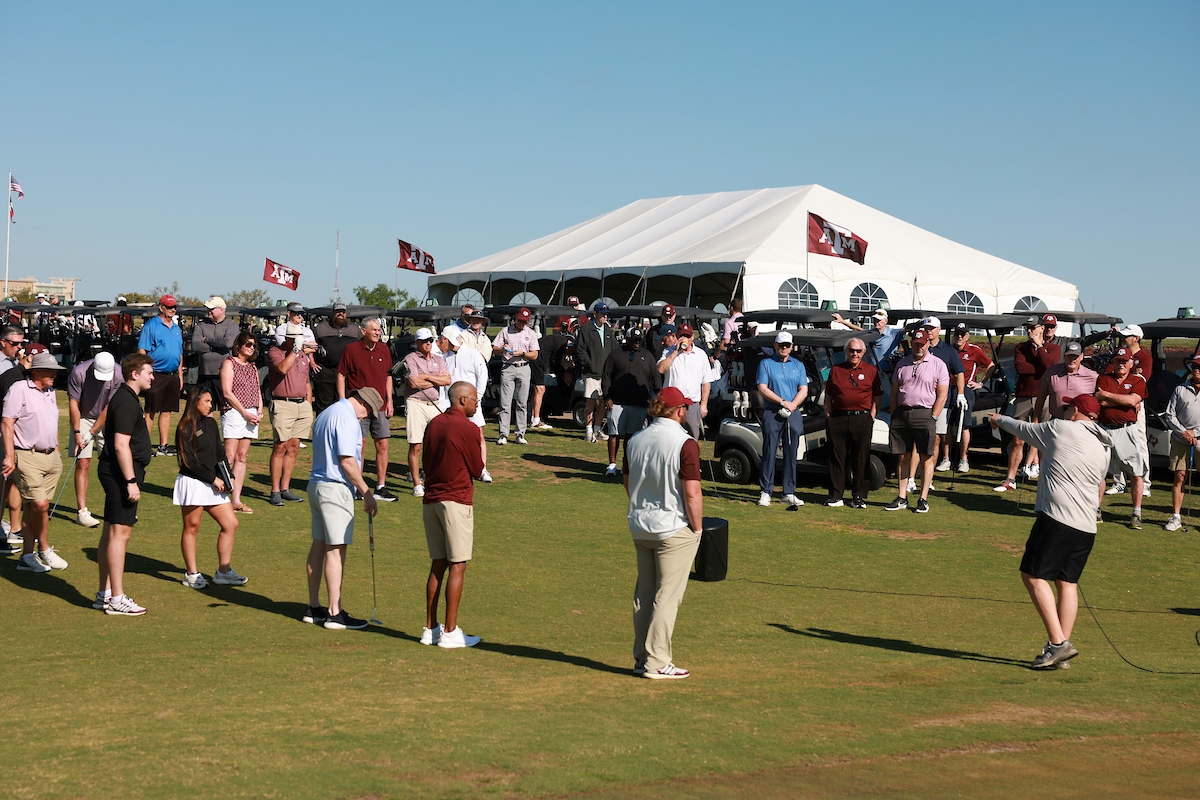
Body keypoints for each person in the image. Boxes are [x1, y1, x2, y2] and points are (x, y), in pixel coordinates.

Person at [988, 394, 1111, 669]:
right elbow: (1101, 486)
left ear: (1076, 411)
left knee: (1032, 576)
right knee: (1067, 583)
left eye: (1068, 406)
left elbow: (1024, 430)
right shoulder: (1104, 445)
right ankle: (1059, 650)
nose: (1064, 410)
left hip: (1058, 520)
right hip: (1087, 525)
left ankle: (1058, 643)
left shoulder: (1061, 428)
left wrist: (998, 418)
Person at [623, 386, 704, 680]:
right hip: (672, 528)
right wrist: (697, 529)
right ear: (679, 411)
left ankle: (642, 658)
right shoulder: (685, 443)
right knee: (666, 597)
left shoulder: (635, 439)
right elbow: (692, 494)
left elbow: (628, 482)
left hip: (640, 525)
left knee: (645, 593)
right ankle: (657, 661)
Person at [304, 387, 382, 630]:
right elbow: (347, 460)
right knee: (335, 550)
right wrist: (366, 492)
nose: (365, 417)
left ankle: (314, 607)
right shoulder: (348, 419)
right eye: (368, 412)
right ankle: (334, 613)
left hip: (316, 485)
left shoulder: (327, 412)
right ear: (363, 404)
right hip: (335, 489)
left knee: (319, 545)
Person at [421, 381, 486, 649]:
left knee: (439, 563)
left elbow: (424, 460)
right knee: (458, 564)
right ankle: (449, 632)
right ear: (461, 400)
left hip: (431, 501)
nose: (477, 403)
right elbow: (477, 467)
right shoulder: (468, 428)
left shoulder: (434, 424)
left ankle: (430, 628)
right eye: (474, 399)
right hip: (456, 501)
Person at [96, 353, 156, 615]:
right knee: (121, 533)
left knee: (111, 531)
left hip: (120, 472)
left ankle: (105, 593)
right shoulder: (126, 401)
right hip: (121, 474)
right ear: (135, 374)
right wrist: (131, 481)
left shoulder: (127, 398)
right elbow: (121, 445)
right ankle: (116, 598)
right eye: (149, 373)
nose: (152, 377)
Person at [173, 386, 246, 588]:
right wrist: (213, 479)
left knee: (230, 524)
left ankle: (223, 571)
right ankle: (192, 574)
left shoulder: (211, 424)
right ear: (195, 401)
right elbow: (189, 462)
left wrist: (228, 477)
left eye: (210, 401)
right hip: (194, 482)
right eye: (206, 401)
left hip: (214, 482)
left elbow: (219, 453)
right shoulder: (184, 427)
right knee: (192, 527)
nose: (210, 405)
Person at [2, 352, 67, 573]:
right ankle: (44, 547)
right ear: (36, 371)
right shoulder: (19, 389)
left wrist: (56, 451)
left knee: (32, 507)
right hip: (26, 455)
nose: (54, 376)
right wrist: (10, 456)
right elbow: (7, 423)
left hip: (51, 457)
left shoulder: (50, 392)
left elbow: (52, 423)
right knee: (41, 505)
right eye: (51, 372)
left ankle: (26, 556)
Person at [995, 315, 1062, 492]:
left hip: (1046, 397)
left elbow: (1050, 366)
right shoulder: (1021, 347)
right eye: (1028, 328)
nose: (1029, 331)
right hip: (1024, 397)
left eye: (1033, 328)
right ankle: (1010, 478)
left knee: (1045, 440)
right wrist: (1040, 366)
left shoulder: (1053, 348)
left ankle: (1046, 479)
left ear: (1041, 329)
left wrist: (1040, 348)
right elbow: (1021, 368)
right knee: (1017, 439)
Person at [886, 329, 948, 513]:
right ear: (911, 343)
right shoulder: (902, 364)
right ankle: (902, 497)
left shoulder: (938, 364)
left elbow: (942, 394)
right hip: (902, 414)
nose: (919, 347)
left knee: (926, 457)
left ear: (928, 343)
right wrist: (893, 414)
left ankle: (923, 498)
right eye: (916, 344)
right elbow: (895, 392)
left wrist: (934, 415)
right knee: (903, 456)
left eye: (922, 344)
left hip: (925, 413)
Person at [337, 318, 396, 500]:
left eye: (379, 330)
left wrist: (390, 401)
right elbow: (341, 375)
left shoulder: (384, 349)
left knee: (383, 445)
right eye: (374, 330)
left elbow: (388, 376)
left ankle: (380, 486)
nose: (378, 333)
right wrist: (342, 402)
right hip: (359, 406)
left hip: (380, 406)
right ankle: (356, 487)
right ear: (364, 331)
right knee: (359, 446)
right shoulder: (351, 350)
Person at [66, 351, 123, 528]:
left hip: (107, 418)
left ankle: (117, 508)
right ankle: (82, 512)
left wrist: (92, 431)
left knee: (114, 462)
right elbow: (73, 404)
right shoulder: (79, 372)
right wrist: (77, 432)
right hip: (82, 416)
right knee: (83, 462)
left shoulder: (119, 374)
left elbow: (108, 407)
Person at [823, 337, 881, 508]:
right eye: (851, 350)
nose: (854, 354)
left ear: (863, 352)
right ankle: (836, 495)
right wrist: (828, 416)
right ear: (846, 351)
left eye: (858, 351)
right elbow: (829, 395)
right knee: (836, 457)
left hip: (862, 418)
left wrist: (872, 415)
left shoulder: (871, 370)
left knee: (861, 457)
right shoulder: (836, 370)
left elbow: (877, 394)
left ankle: (858, 496)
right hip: (838, 418)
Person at [753, 330, 808, 507]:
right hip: (773, 410)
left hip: (793, 411)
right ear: (775, 345)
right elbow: (762, 387)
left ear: (792, 347)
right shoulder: (766, 363)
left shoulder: (798, 365)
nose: (784, 348)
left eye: (787, 345)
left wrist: (792, 405)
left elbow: (803, 389)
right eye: (781, 345)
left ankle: (789, 491)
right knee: (769, 451)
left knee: (791, 452)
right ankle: (766, 491)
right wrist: (783, 402)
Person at [1094, 348, 1148, 529]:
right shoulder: (1104, 378)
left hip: (1127, 430)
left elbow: (1132, 401)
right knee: (1100, 471)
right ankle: (1096, 509)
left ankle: (1136, 513)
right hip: (1105, 429)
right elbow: (1100, 402)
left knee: (1135, 472)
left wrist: (1108, 396)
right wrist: (1124, 400)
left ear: (1131, 363)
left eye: (1125, 361)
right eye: (1118, 361)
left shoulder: (1137, 380)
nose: (1121, 364)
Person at [600, 326, 660, 477]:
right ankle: (612, 465)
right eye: (634, 340)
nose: (637, 343)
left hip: (639, 403)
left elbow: (655, 377)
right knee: (614, 434)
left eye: (639, 340)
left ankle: (627, 465)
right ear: (628, 339)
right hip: (617, 402)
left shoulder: (648, 356)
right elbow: (606, 376)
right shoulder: (616, 354)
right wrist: (607, 397)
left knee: (631, 437)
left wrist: (659, 395)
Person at [267, 323, 315, 506]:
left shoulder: (303, 355)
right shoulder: (275, 352)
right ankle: (275, 490)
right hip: (283, 403)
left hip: (302, 405)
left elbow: (306, 382)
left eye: (299, 337)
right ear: (286, 338)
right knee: (280, 446)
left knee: (294, 446)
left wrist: (308, 405)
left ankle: (285, 488)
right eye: (293, 337)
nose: (297, 340)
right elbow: (282, 369)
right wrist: (295, 351)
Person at [0, 341, 40, 553]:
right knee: (4, 483)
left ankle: (15, 528)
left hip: (19, 439)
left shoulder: (24, 376)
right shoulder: (12, 378)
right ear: (30, 357)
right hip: (7, 437)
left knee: (15, 483)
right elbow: (8, 416)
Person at [402, 328, 451, 497]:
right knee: (416, 445)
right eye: (424, 341)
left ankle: (432, 479)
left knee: (437, 445)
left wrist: (426, 377)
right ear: (416, 343)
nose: (428, 343)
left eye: (430, 340)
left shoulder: (438, 358)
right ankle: (417, 483)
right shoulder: (410, 358)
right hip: (416, 403)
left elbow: (447, 380)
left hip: (435, 404)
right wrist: (436, 378)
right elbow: (413, 384)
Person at [439, 327, 491, 483]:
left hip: (471, 402)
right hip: (450, 403)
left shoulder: (472, 353)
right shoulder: (444, 356)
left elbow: (482, 376)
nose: (441, 342)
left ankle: (481, 469)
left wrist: (477, 399)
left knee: (478, 435)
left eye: (443, 339)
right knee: (449, 436)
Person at [220, 332, 263, 514]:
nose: (250, 347)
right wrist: (244, 412)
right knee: (229, 457)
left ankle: (235, 500)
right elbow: (227, 392)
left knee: (242, 456)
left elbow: (257, 390)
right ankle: (217, 494)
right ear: (239, 345)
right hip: (234, 412)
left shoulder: (252, 367)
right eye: (247, 344)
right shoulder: (229, 363)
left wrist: (259, 410)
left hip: (251, 413)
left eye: (253, 345)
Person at [137, 294, 185, 456]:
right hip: (155, 374)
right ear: (161, 307)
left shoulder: (176, 328)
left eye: (174, 307)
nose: (173, 310)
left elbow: (179, 353)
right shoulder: (151, 326)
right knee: (151, 409)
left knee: (167, 410)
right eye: (170, 307)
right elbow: (142, 350)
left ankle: (163, 446)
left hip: (172, 375)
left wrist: (180, 375)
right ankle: (145, 445)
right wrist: (145, 371)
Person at [916, 318, 965, 475]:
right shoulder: (919, 348)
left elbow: (959, 372)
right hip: (921, 398)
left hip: (941, 400)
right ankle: (916, 472)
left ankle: (929, 473)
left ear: (939, 330)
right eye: (927, 328)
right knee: (919, 437)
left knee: (936, 437)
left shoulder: (948, 350)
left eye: (932, 328)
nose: (929, 331)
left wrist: (961, 393)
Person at [1161, 356, 1200, 531]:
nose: (1196, 370)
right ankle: (1176, 517)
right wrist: (1183, 432)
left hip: (1199, 437)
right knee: (1180, 476)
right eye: (1194, 367)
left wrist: (1195, 433)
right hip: (1180, 438)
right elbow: (1170, 415)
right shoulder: (1180, 389)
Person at [657, 323, 714, 439]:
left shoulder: (701, 355)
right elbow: (660, 369)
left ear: (692, 337)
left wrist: (704, 404)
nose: (685, 339)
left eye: (687, 336)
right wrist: (675, 352)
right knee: (670, 438)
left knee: (691, 438)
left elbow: (706, 382)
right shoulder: (668, 352)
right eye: (682, 336)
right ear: (677, 337)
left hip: (692, 404)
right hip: (672, 405)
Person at [950, 324, 995, 472]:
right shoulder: (949, 349)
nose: (959, 336)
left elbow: (991, 365)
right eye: (957, 333)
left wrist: (981, 383)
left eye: (962, 334)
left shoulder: (974, 350)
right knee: (947, 424)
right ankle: (946, 458)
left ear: (967, 336)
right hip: (948, 389)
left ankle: (964, 459)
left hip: (967, 390)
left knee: (964, 425)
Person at [492, 307, 539, 446]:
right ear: (515, 318)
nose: (521, 324)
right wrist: (503, 349)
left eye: (524, 322)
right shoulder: (505, 331)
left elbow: (535, 354)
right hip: (508, 367)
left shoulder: (530, 333)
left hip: (524, 367)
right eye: (520, 321)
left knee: (522, 403)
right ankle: (503, 434)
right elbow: (494, 349)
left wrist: (522, 354)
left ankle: (520, 434)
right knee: (505, 403)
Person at [312, 302, 363, 416]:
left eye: (343, 312)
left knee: (345, 405)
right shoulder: (320, 328)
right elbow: (310, 347)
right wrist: (312, 362)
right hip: (325, 372)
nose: (341, 314)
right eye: (338, 311)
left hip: (347, 373)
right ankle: (323, 431)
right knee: (324, 409)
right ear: (332, 313)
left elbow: (361, 348)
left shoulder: (354, 329)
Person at [576, 302, 616, 443]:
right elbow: (580, 350)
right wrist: (590, 364)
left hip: (605, 375)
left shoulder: (608, 330)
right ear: (595, 314)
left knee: (604, 403)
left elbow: (614, 350)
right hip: (592, 373)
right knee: (590, 403)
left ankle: (597, 429)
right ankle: (588, 431)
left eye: (606, 314)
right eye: (602, 313)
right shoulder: (586, 329)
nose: (605, 316)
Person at [191, 296, 239, 405]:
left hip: (224, 375)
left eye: (212, 309)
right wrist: (216, 346)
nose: (209, 311)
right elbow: (196, 345)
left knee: (226, 407)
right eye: (208, 308)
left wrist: (207, 340)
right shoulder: (201, 325)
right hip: (205, 374)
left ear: (221, 310)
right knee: (205, 408)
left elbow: (228, 343)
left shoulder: (232, 325)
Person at [1035, 342, 1098, 421]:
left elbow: (1098, 401)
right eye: (1069, 356)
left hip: (1081, 422)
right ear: (1064, 356)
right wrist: (1036, 418)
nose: (1072, 359)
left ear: (1081, 357)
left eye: (1075, 356)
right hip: (1056, 420)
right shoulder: (1051, 372)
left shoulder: (1092, 376)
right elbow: (1041, 396)